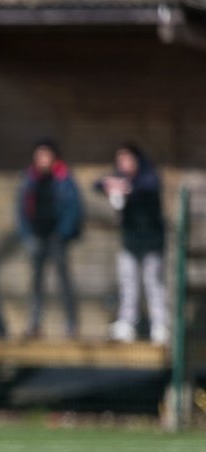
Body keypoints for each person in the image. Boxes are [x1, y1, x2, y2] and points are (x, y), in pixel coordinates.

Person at [94, 143, 168, 344]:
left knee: (153, 284)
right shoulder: (120, 178)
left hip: (151, 242)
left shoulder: (148, 177)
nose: (123, 163)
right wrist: (112, 185)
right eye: (120, 160)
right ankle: (127, 324)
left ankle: (160, 326)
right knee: (129, 285)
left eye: (127, 159)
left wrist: (126, 187)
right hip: (129, 242)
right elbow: (98, 184)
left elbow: (147, 187)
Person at [16, 138, 84, 338]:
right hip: (36, 235)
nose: (43, 159)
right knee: (36, 282)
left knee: (63, 281)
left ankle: (71, 325)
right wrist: (26, 232)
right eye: (39, 155)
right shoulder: (30, 178)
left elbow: (73, 208)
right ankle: (34, 324)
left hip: (57, 236)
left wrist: (63, 232)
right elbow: (20, 208)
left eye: (46, 154)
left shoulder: (64, 178)